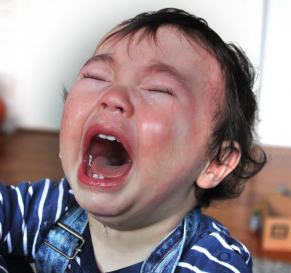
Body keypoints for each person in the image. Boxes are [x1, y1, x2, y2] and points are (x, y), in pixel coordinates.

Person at [0, 8, 266, 273]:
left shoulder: (212, 263)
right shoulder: (53, 207)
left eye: (158, 89)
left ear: (215, 162)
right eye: (96, 77)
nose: (113, 95)